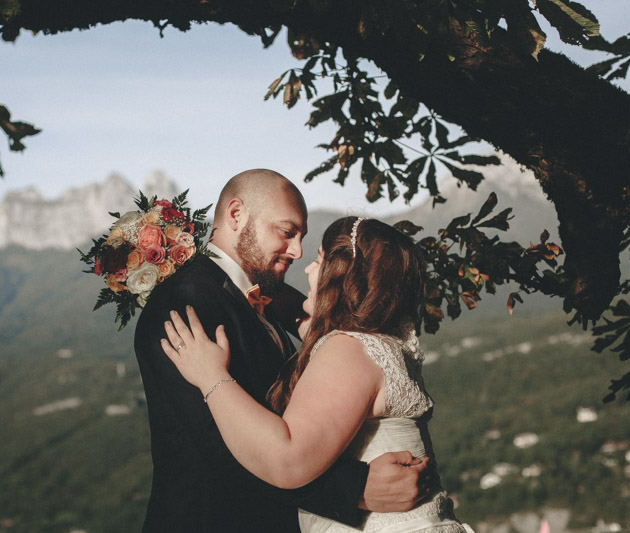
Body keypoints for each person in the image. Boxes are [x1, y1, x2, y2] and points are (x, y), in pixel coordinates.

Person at [134, 170, 431, 532]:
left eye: (302, 238)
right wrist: (355, 488)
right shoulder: (184, 302)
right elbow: (221, 442)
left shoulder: (265, 298)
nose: (297, 250)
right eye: (287, 232)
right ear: (236, 215)